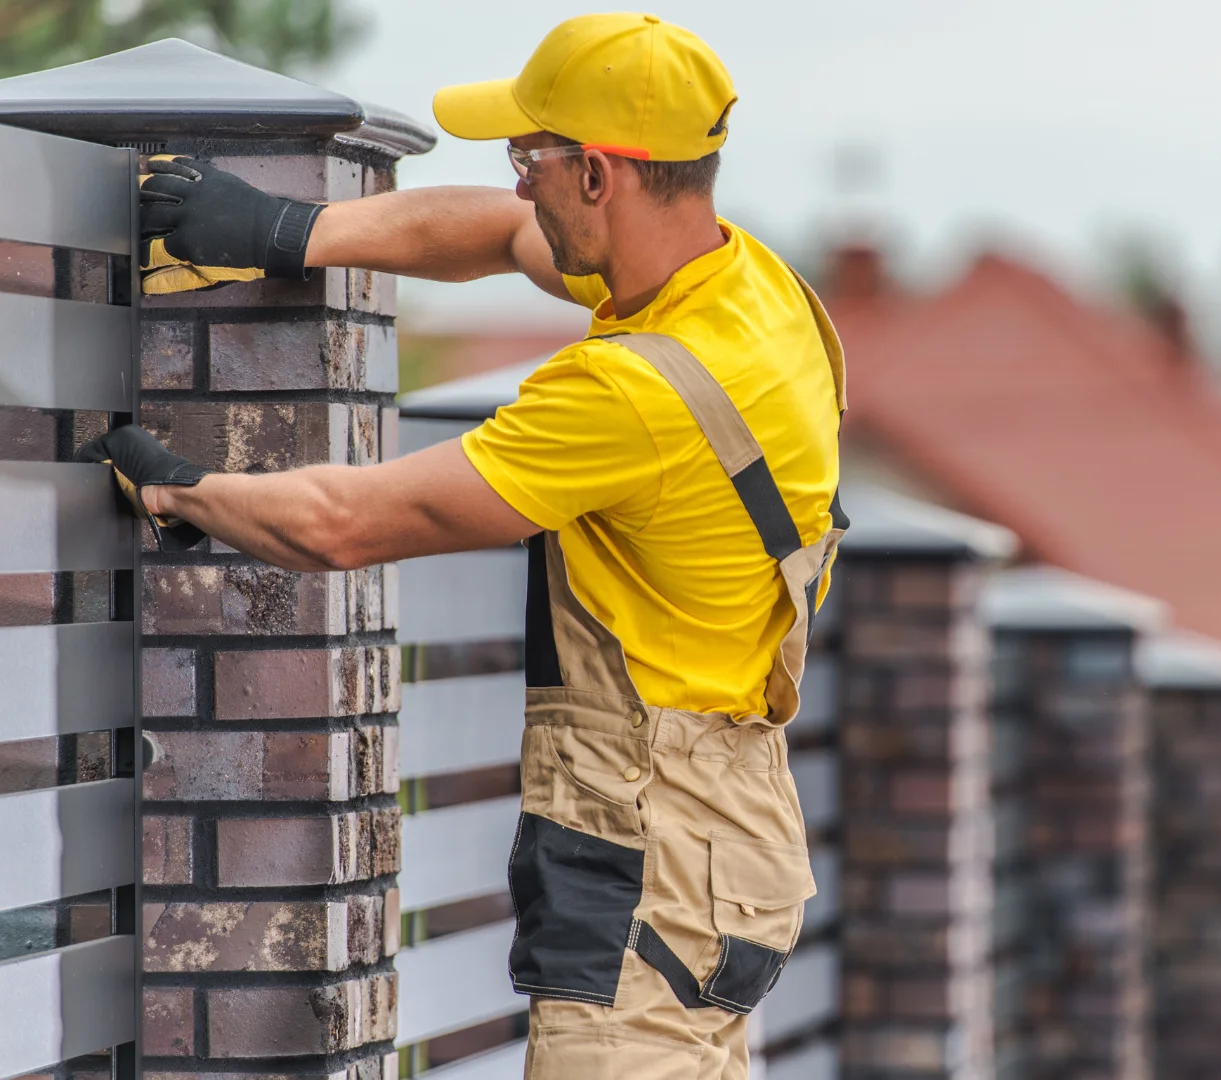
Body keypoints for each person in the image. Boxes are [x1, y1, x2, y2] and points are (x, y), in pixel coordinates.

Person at [87, 14, 843, 1079]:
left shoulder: (630, 394)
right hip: (732, 835)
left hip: (649, 855)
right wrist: (290, 230)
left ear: (599, 175)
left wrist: (181, 490)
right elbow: (500, 234)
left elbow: (348, 522)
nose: (517, 181)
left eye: (530, 157)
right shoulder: (750, 290)